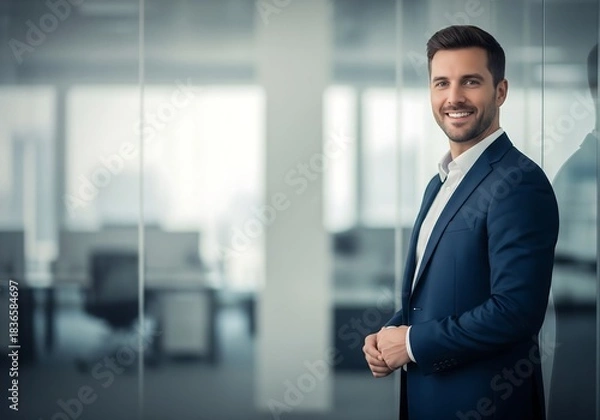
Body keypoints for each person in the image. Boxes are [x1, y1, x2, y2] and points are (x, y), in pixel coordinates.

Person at [362, 25, 559, 420]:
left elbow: (516, 312)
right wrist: (391, 334)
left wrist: (413, 343)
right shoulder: (438, 184)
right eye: (441, 83)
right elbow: (437, 295)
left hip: (486, 403)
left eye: (470, 82)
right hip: (429, 398)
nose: (454, 98)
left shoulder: (518, 182)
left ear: (500, 91)